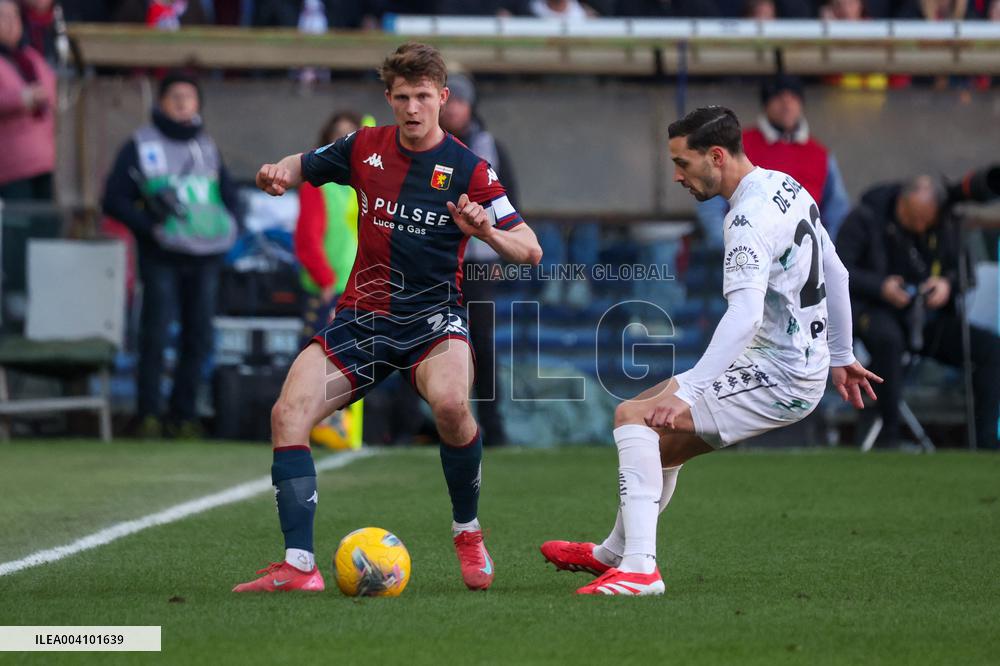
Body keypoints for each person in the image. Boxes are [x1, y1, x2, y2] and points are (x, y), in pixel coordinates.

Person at [233, 42, 542, 594]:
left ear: (443, 98)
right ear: (389, 99)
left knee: (451, 405)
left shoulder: (471, 169)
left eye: (424, 96)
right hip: (362, 318)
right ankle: (300, 567)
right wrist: (279, 171)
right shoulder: (364, 147)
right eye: (403, 97)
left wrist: (486, 231)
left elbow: (530, 250)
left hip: (432, 321)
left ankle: (467, 532)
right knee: (287, 414)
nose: (413, 108)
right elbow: (305, 163)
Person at [540, 106, 881, 596]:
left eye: (683, 163)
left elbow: (743, 316)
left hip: (780, 373)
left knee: (633, 417)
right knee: (660, 440)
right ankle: (614, 553)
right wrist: (842, 354)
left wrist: (691, 390)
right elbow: (838, 272)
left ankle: (639, 568)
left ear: (716, 156)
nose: (677, 175)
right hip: (791, 361)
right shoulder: (785, 186)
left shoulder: (745, 219)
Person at [102, 71, 240, 439]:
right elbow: (113, 199)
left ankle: (184, 416)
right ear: (160, 103)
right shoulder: (140, 144)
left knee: (198, 337)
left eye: (189, 96)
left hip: (206, 255)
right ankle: (148, 414)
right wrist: (151, 227)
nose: (182, 103)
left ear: (198, 105)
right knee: (155, 334)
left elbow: (228, 193)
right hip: (161, 255)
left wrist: (231, 226)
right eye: (175, 96)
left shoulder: (207, 145)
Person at [836, 175, 1000, 450]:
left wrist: (947, 285)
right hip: (874, 312)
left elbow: (964, 274)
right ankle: (887, 437)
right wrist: (881, 287)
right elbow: (838, 269)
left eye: (927, 220)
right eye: (914, 218)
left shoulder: (945, 223)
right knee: (889, 340)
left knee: (992, 350)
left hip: (926, 317)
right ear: (901, 201)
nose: (920, 225)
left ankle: (985, 443)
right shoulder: (865, 217)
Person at [439, 72, 517, 447]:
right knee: (428, 339)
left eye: (460, 100)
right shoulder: (426, 144)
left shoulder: (491, 147)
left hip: (479, 259)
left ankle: (492, 424)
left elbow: (509, 203)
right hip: (437, 258)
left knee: (483, 343)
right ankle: (425, 422)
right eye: (449, 99)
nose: (453, 108)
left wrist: (504, 246)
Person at [697, 76, 851, 247]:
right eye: (778, 98)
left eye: (793, 98)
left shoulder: (821, 155)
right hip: (747, 256)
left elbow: (837, 211)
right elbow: (711, 202)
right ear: (766, 104)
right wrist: (731, 247)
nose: (787, 105)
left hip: (804, 261)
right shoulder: (738, 146)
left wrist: (821, 252)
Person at [0, 0, 56, 201]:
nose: (11, 23)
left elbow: (51, 86)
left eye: (15, 16)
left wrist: (40, 95)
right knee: (19, 224)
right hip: (12, 164)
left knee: (44, 224)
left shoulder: (29, 57)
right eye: (3, 17)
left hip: (43, 158)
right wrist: (22, 98)